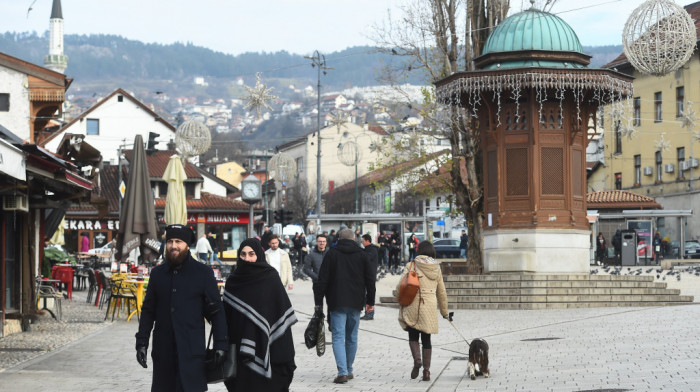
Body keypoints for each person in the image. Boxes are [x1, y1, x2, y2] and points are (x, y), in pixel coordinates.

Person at [135, 224, 228, 392]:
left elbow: (217, 312)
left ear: (187, 245)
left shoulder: (203, 273)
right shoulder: (157, 274)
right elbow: (148, 311)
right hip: (163, 352)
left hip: (192, 352)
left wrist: (221, 344)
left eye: (178, 241)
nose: (173, 246)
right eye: (170, 241)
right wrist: (142, 342)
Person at [222, 238, 297, 391]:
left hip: (270, 347)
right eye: (243, 254)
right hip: (239, 349)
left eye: (251, 254)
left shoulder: (270, 277)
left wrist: (285, 355)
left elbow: (280, 311)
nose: (247, 258)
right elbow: (226, 318)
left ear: (259, 255)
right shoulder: (233, 281)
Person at [314, 229, 376, 384]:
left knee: (338, 336)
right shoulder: (362, 255)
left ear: (339, 239)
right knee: (352, 337)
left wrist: (318, 302)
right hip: (356, 302)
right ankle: (349, 369)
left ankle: (342, 372)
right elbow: (370, 280)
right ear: (354, 238)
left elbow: (322, 280)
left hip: (336, 301)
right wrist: (370, 302)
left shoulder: (332, 254)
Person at [395, 241, 448, 382]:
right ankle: (426, 372)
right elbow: (442, 292)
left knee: (413, 336)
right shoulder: (437, 268)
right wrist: (444, 312)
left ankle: (417, 359)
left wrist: (397, 296)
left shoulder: (412, 265)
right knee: (426, 339)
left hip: (413, 303)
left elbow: (401, 284)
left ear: (419, 250)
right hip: (429, 305)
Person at [360, 234, 379, 321]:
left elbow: (366, 258)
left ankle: (370, 313)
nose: (362, 242)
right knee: (363, 294)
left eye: (363, 241)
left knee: (370, 294)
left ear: (368, 241)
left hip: (370, 275)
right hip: (364, 275)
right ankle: (364, 311)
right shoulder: (366, 249)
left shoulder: (372, 250)